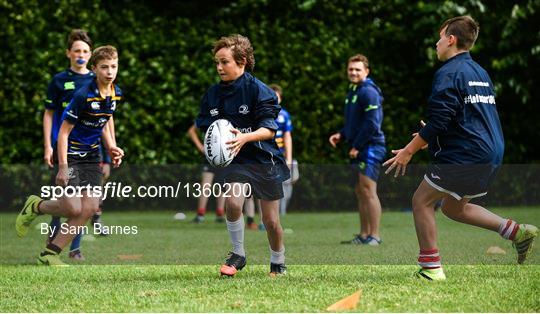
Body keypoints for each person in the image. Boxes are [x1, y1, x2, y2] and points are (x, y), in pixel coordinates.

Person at [383, 16, 538, 281]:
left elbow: (441, 119)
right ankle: (516, 232)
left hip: (467, 153)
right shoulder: (479, 71)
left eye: (440, 37)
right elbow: (467, 117)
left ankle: (431, 269)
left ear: (451, 40)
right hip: (490, 151)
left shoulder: (449, 72)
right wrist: (432, 135)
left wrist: (410, 149)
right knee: (453, 207)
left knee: (421, 201)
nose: (437, 43)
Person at [16, 45, 124, 266]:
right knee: (72, 208)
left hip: (92, 155)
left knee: (91, 208)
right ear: (94, 69)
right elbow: (63, 133)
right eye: (104, 67)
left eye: (113, 66)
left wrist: (112, 146)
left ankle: (49, 253)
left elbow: (105, 119)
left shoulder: (116, 92)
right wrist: (63, 166)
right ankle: (35, 206)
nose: (109, 72)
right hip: (71, 153)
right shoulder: (83, 95)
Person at [196, 34, 290, 277]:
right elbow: (207, 127)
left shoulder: (260, 91)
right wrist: (215, 143)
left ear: (243, 61)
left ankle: (278, 261)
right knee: (233, 202)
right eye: (216, 62)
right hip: (236, 161)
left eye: (224, 62)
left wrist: (244, 138)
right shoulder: (213, 94)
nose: (219, 67)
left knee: (270, 221)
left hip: (263, 159)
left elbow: (269, 130)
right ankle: (238, 253)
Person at [42, 29, 95, 260]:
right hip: (64, 148)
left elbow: (103, 120)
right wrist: (48, 146)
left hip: (90, 151)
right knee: (68, 202)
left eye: (85, 51)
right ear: (68, 53)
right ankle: (51, 241)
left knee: (85, 204)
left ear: (91, 53)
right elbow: (48, 114)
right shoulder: (59, 80)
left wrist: (107, 149)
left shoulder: (96, 80)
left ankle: (75, 249)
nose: (81, 55)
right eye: (76, 51)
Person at [329, 54, 386, 246]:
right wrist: (342, 135)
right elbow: (355, 123)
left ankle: (375, 236)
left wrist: (356, 146)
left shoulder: (368, 92)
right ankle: (363, 235)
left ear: (366, 71)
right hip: (360, 146)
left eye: (358, 69)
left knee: (369, 190)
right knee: (360, 191)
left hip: (371, 147)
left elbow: (372, 124)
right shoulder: (353, 90)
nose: (353, 72)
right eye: (351, 69)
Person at [179, 124, 225, 223]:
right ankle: (200, 215)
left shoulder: (228, 115)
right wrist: (201, 147)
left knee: (222, 186)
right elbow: (191, 131)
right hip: (210, 156)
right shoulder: (207, 115)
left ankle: (220, 215)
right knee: (205, 185)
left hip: (224, 156)